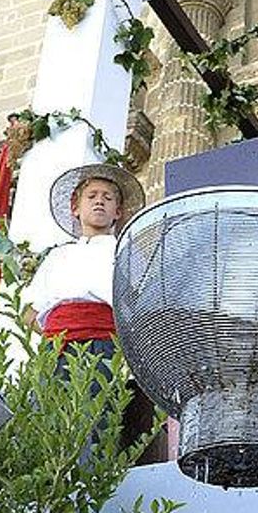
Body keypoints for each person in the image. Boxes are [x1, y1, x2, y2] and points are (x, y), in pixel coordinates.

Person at [24, 163, 160, 461]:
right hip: (55, 349)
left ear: (118, 212)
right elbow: (31, 312)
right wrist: (60, 333)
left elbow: (140, 306)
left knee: (94, 424)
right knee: (48, 422)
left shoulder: (125, 251)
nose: (100, 201)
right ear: (76, 207)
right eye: (92, 196)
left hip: (104, 347)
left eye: (108, 198)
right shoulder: (58, 256)